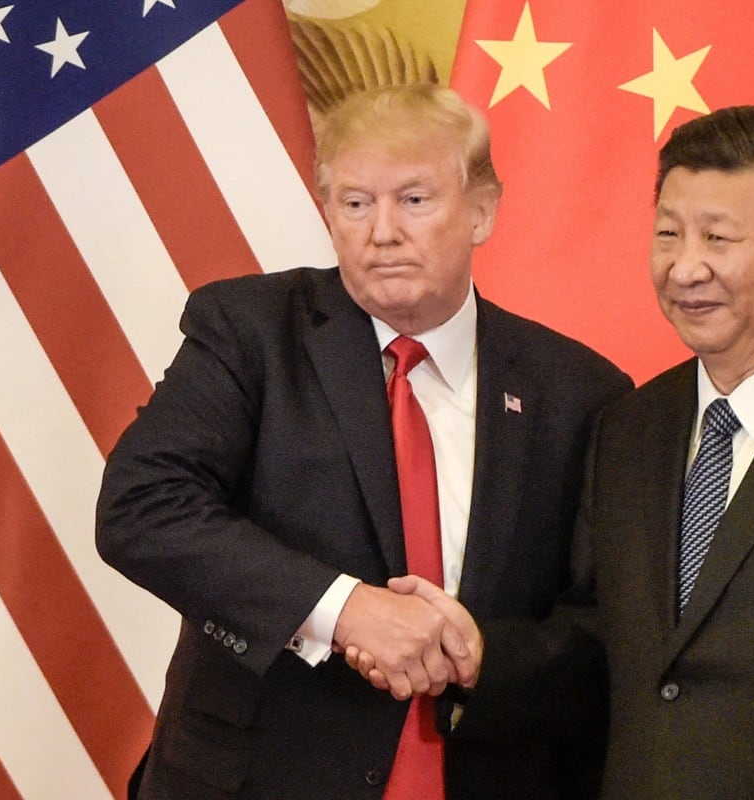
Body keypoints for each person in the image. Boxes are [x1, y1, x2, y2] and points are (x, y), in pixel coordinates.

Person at [361, 105, 754, 798]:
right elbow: (601, 646)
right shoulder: (628, 427)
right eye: (668, 233)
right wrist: (482, 654)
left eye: (718, 237)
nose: (685, 267)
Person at [95, 83, 631, 800]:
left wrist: (481, 656)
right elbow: (143, 507)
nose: (382, 231)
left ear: (482, 210)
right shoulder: (250, 330)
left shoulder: (579, 391)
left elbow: (603, 628)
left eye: (414, 200)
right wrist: (344, 608)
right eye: (355, 203)